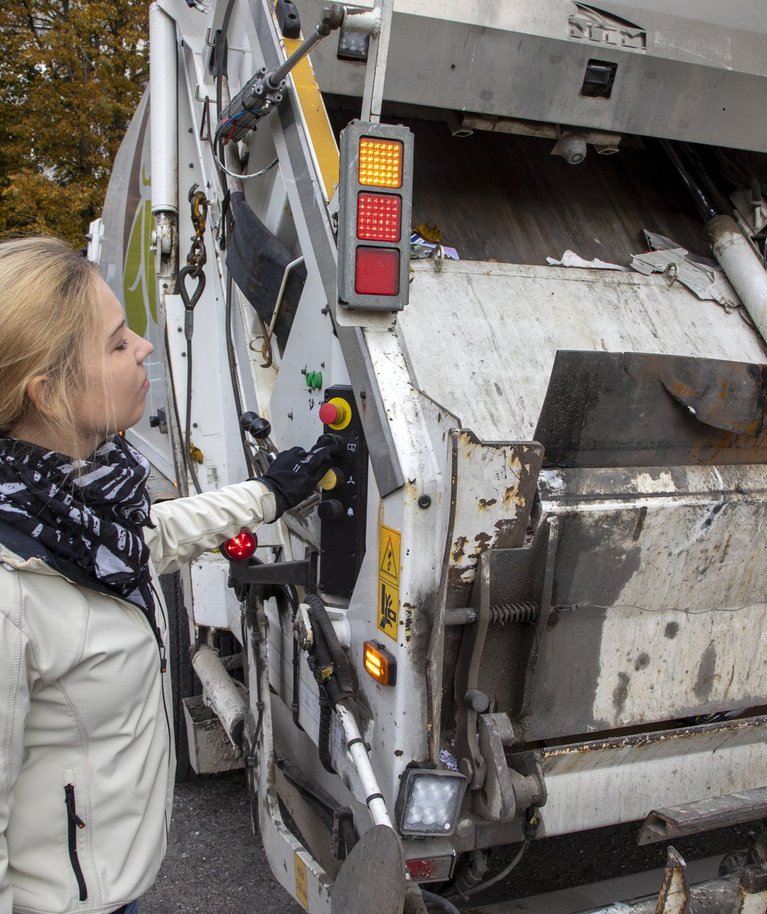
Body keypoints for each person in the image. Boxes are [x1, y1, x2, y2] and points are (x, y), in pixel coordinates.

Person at [0, 236, 338, 914]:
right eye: (119, 342)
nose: (146, 348)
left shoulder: (67, 510)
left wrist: (270, 492)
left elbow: (148, 537)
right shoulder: (12, 589)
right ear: (48, 391)